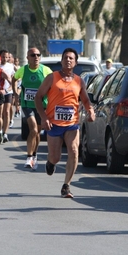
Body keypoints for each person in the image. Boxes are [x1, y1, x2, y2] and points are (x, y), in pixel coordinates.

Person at [35, 48, 95, 198]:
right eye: (65, 58)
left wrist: (90, 111)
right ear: (61, 61)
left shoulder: (79, 81)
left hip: (72, 123)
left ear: (75, 62)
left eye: (71, 58)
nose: (68, 60)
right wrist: (44, 118)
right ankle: (50, 163)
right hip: (53, 123)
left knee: (74, 151)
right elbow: (38, 97)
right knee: (55, 157)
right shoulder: (52, 77)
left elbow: (86, 100)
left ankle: (66, 186)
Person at [12, 47, 53, 170]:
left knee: (38, 132)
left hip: (42, 106)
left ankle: (34, 155)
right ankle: (29, 157)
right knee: (34, 129)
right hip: (27, 104)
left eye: (38, 55)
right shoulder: (23, 70)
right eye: (32, 55)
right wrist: (15, 94)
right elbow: (14, 79)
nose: (35, 57)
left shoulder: (46, 70)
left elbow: (53, 84)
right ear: (27, 58)